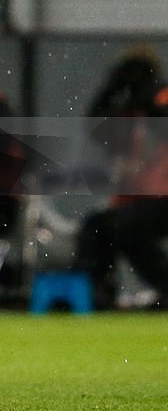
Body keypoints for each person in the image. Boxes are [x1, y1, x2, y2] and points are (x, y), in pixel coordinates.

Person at [74, 45, 168, 308]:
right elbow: (95, 125)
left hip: (162, 195)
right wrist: (112, 89)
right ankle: (93, 291)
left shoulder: (158, 99)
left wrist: (146, 95)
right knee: (97, 226)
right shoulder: (127, 115)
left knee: (129, 226)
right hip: (139, 198)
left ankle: (165, 285)